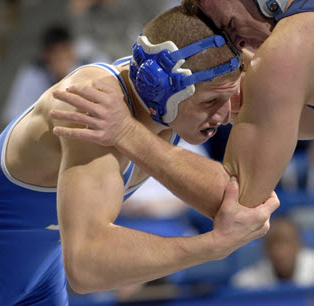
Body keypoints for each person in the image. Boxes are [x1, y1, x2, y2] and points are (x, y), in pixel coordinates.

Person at [0, 6, 278, 305]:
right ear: (161, 90)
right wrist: (211, 247)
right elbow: (86, 266)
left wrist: (129, 134)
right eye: (211, 101)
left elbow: (243, 204)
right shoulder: (90, 103)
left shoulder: (189, 93)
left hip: (39, 280)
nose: (223, 115)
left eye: (229, 95)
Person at [50, 0, 314, 214]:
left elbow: (240, 204)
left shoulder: (287, 50)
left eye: (232, 26)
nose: (242, 44)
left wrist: (127, 133)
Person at [2, 24, 77, 124]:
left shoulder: (84, 65)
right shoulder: (32, 74)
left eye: (66, 52)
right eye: (57, 55)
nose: (63, 60)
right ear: (47, 55)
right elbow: (18, 119)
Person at [231, 216, 314, 289]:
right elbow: (238, 286)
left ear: (299, 244)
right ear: (264, 248)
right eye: (272, 244)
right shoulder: (246, 282)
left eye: (286, 242)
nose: (280, 252)